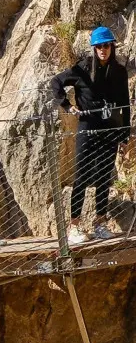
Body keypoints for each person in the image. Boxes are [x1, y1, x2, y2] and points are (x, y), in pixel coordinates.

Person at [53, 26, 131, 242]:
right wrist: (67, 106)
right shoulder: (82, 69)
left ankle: (100, 222)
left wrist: (124, 135)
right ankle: (74, 226)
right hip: (88, 128)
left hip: (110, 129)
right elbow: (56, 83)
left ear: (112, 47)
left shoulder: (119, 71)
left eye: (106, 45)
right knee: (82, 175)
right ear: (94, 49)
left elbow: (125, 103)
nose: (103, 50)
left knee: (104, 177)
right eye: (99, 46)